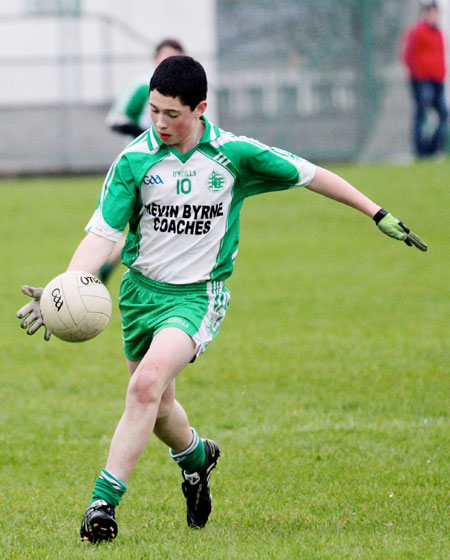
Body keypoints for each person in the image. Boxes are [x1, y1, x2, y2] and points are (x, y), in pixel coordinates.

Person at [16, 56, 427, 544]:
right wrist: (65, 286)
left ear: (201, 108)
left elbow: (312, 174)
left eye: (173, 114)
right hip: (140, 294)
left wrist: (375, 211)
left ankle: (102, 505)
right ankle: (195, 458)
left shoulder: (234, 155)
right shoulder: (133, 162)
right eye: (154, 112)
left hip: (197, 297)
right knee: (160, 404)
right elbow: (102, 237)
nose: (161, 123)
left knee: (146, 385)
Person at [99, 38, 186, 284]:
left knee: (160, 220)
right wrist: (145, 136)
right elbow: (115, 119)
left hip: (177, 167)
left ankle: (109, 264)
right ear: (155, 60)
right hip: (143, 167)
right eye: (164, 57)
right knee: (148, 220)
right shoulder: (143, 87)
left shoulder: (188, 90)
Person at [400, 0, 448, 157]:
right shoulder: (418, 31)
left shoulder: (439, 33)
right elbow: (408, 55)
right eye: (431, 12)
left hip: (437, 80)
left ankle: (432, 149)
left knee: (443, 114)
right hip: (422, 80)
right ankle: (421, 152)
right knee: (422, 114)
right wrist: (418, 75)